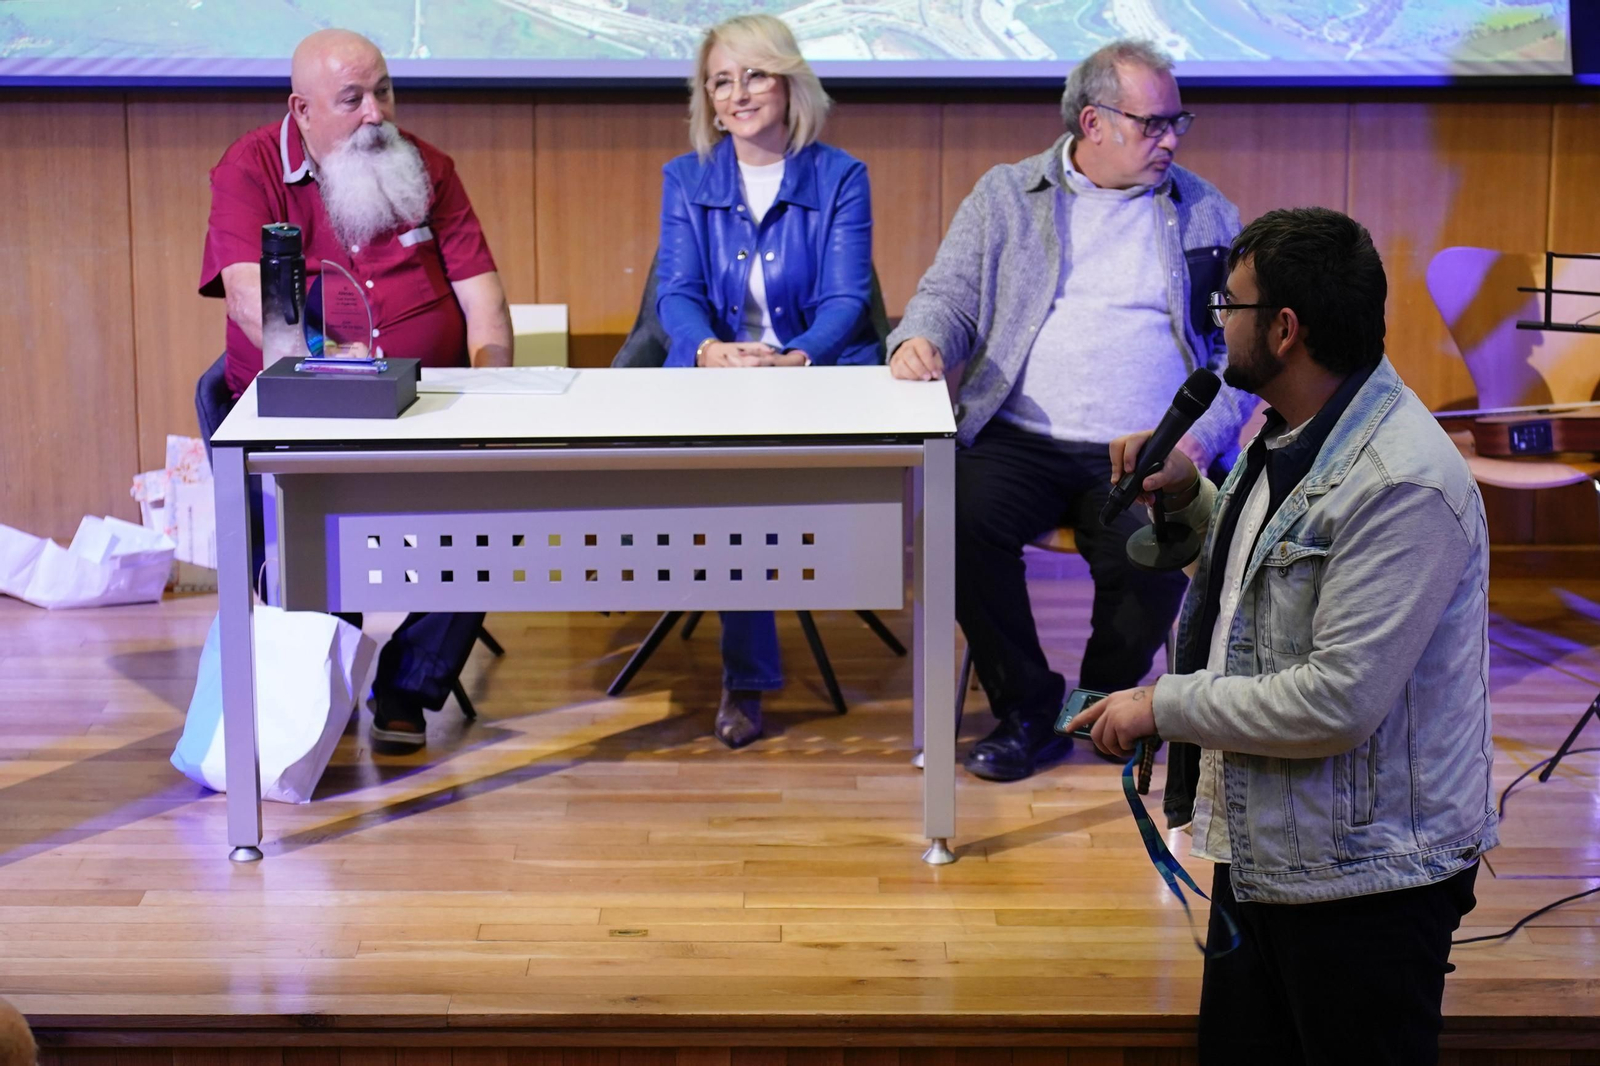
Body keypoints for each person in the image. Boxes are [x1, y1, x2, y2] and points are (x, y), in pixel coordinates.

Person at [1076, 207, 1496, 1064]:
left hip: (1365, 882)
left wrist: (1162, 705)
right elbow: (1264, 586)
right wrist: (1193, 497)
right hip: (1276, 848)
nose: (1217, 325)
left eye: (1228, 307)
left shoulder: (1399, 483)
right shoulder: (1300, 426)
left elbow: (1337, 704)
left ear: (1285, 328)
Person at [887, 39, 1254, 782]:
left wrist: (1197, 443)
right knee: (950, 519)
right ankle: (1027, 708)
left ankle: (1094, 705)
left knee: (1154, 556)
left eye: (1178, 122)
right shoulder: (1007, 195)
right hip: (1018, 437)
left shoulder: (1205, 209)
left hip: (1148, 447)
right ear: (1092, 122)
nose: (1172, 139)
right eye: (1152, 124)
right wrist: (917, 337)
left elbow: (1238, 356)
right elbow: (948, 295)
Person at [199, 28, 514, 748]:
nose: (376, 113)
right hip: (300, 415)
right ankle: (321, 676)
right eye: (352, 99)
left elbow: (485, 304)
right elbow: (253, 301)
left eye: (384, 92)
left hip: (426, 409)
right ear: (302, 110)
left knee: (492, 503)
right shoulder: (249, 169)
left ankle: (408, 684)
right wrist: (330, 374)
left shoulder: (427, 168)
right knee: (306, 527)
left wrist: (493, 395)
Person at [656, 13, 881, 748]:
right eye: (721, 80)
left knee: (750, 496)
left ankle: (753, 662)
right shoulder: (685, 179)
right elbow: (676, 291)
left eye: (753, 74)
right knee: (734, 495)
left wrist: (798, 356)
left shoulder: (841, 175)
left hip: (812, 374)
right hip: (719, 378)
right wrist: (708, 349)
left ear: (788, 83)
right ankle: (746, 676)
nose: (737, 93)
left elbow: (849, 298)